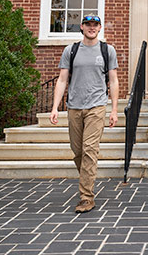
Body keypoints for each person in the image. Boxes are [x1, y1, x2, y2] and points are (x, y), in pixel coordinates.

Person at [50, 14, 119, 213]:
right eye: (88, 24)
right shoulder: (71, 50)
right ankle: (87, 179)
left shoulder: (108, 50)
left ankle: (86, 197)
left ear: (99, 28)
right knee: (78, 151)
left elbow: (113, 81)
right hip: (74, 106)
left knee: (89, 150)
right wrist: (55, 107)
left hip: (97, 106)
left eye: (95, 25)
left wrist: (113, 110)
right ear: (82, 27)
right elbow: (62, 79)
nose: (91, 28)